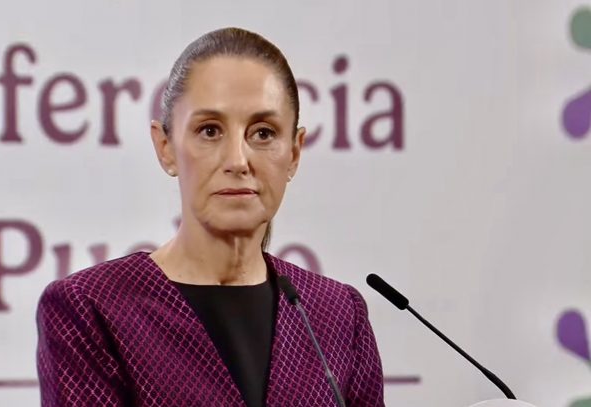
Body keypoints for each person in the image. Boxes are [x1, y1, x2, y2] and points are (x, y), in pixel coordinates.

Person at [36, 27, 385, 407]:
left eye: (263, 133)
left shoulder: (337, 313)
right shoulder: (92, 308)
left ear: (295, 153)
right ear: (166, 147)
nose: (238, 161)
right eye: (209, 130)